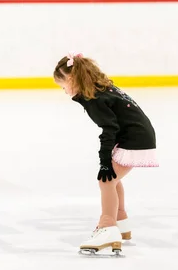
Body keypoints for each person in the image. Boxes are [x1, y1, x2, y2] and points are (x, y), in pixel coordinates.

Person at [53, 52, 158, 254]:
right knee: (113, 179)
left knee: (106, 180)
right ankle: (121, 221)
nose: (64, 91)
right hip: (138, 135)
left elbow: (109, 129)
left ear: (72, 79)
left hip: (134, 138)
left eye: (63, 85)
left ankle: (108, 226)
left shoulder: (95, 99)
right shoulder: (102, 90)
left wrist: (104, 161)